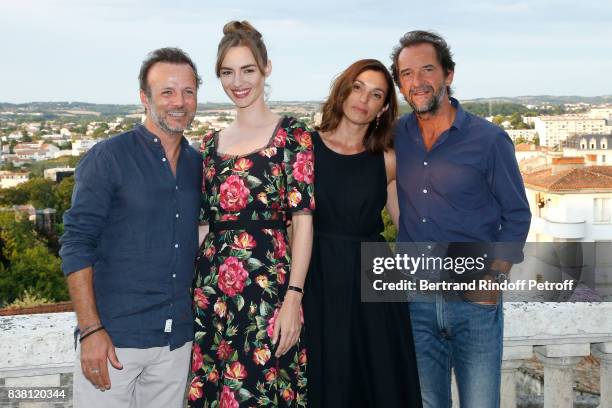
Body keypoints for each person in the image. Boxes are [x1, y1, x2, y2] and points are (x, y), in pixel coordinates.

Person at [390, 30, 531, 407]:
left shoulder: (489, 140)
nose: (417, 82)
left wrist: (495, 277)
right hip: (415, 298)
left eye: (427, 70)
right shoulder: (395, 136)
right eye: (406, 74)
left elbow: (517, 215)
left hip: (474, 301)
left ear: (448, 74)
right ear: (400, 84)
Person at [59, 47, 202, 407]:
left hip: (175, 341)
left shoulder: (197, 165)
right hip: (113, 341)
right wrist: (91, 329)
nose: (179, 102)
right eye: (167, 92)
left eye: (188, 91)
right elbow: (77, 243)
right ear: (144, 97)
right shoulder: (108, 158)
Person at [190, 21, 314, 407]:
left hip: (268, 291)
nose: (237, 82)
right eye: (227, 72)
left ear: (266, 69)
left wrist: (293, 299)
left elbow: (304, 222)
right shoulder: (209, 145)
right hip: (212, 293)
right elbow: (204, 225)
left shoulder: (292, 134)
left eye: (247, 70)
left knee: (263, 391)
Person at [303, 59, 422, 407]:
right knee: (324, 380)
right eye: (357, 87)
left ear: (384, 107)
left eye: (376, 94)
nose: (363, 99)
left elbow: (410, 226)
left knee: (377, 383)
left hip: (374, 282)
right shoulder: (304, 149)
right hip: (317, 277)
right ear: (343, 90)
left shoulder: (387, 159)